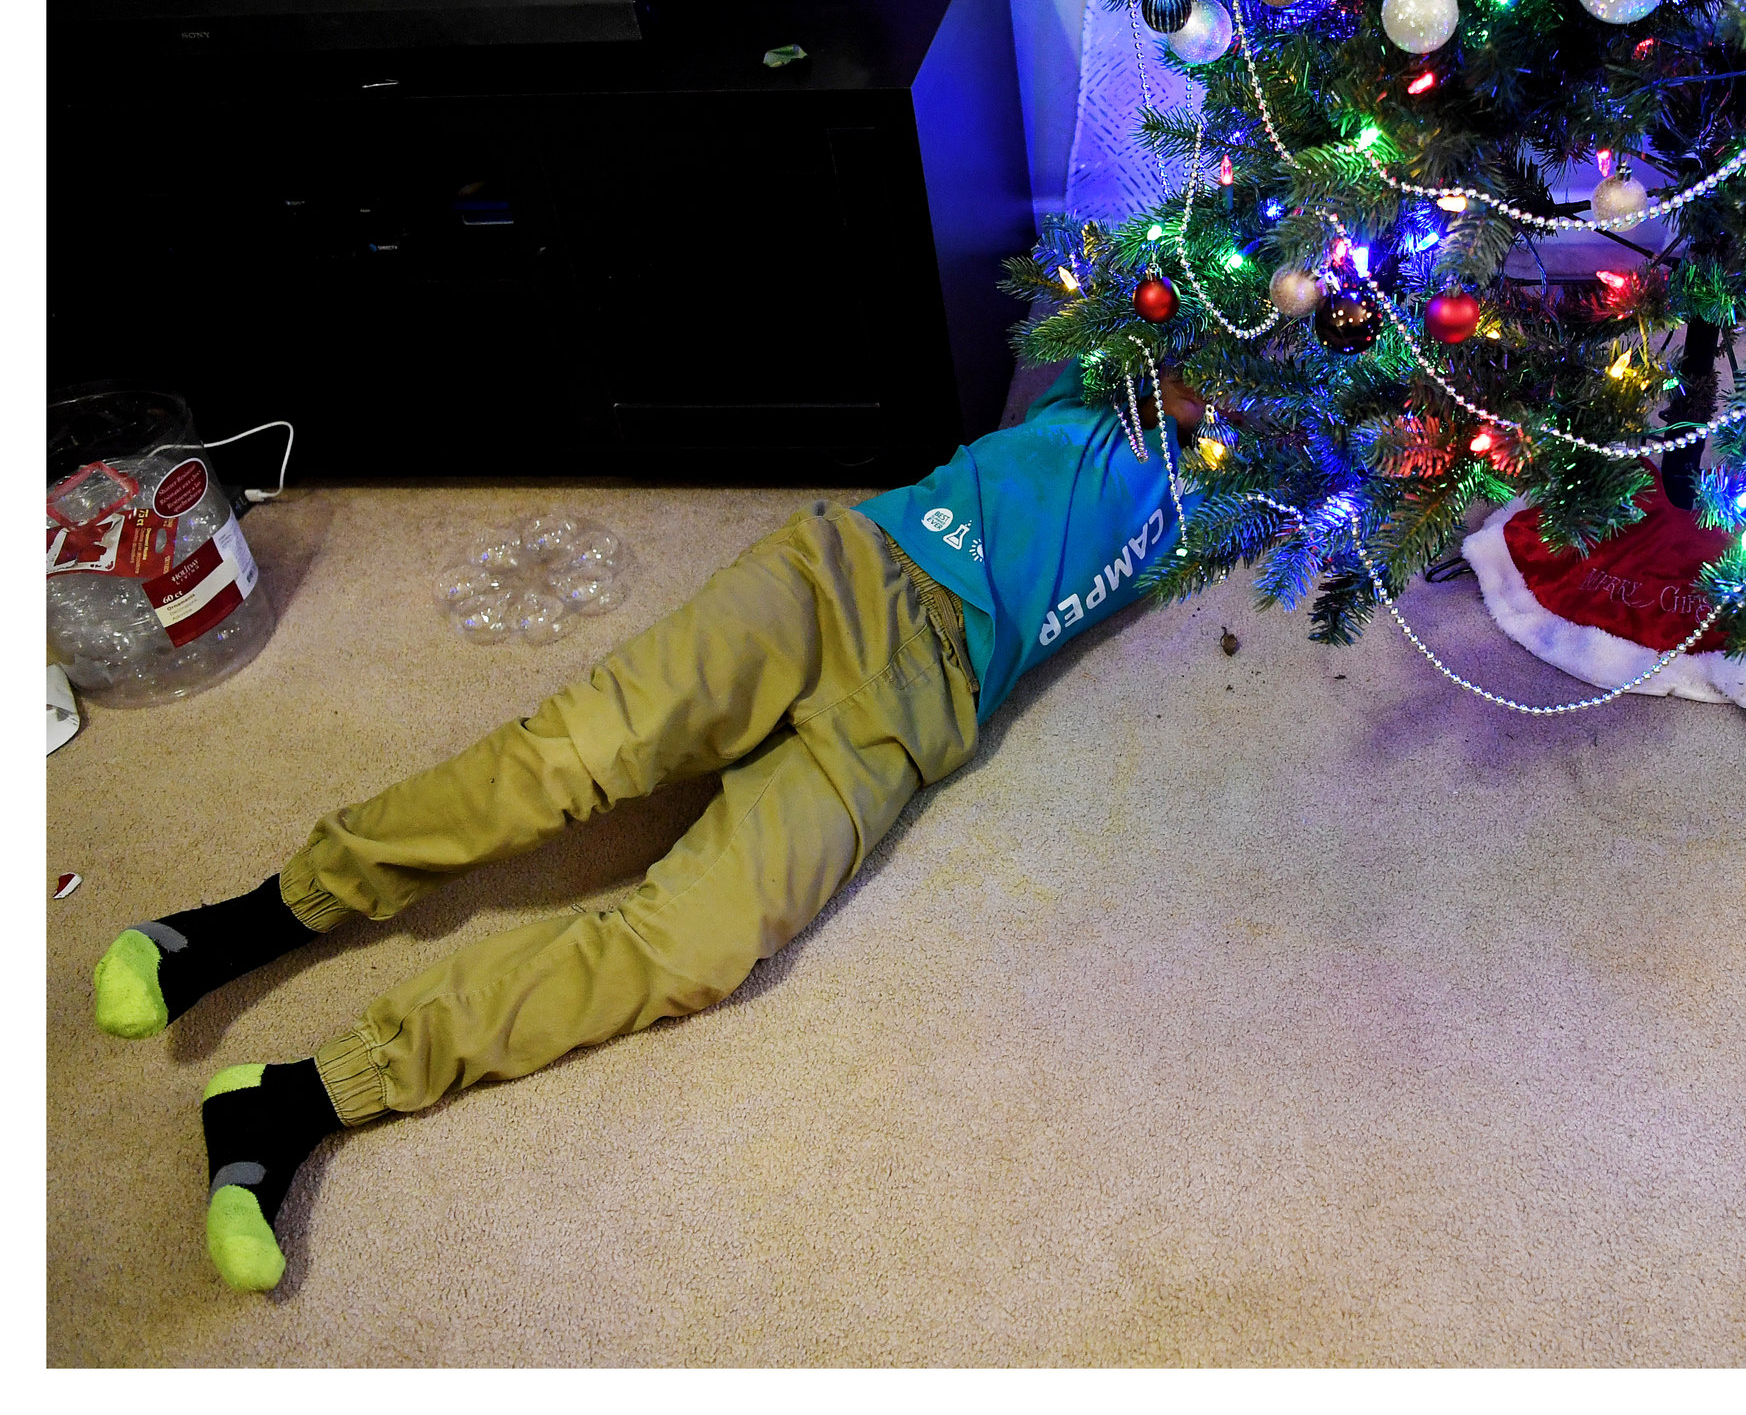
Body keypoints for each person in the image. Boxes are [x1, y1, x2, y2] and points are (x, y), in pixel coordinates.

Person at [89, 361, 1203, 1293]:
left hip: (921, 713)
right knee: (574, 758)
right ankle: (241, 923)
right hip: (845, 576)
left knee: (701, 945)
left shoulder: (1248, 482)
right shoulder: (1119, 351)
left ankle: (294, 1099)